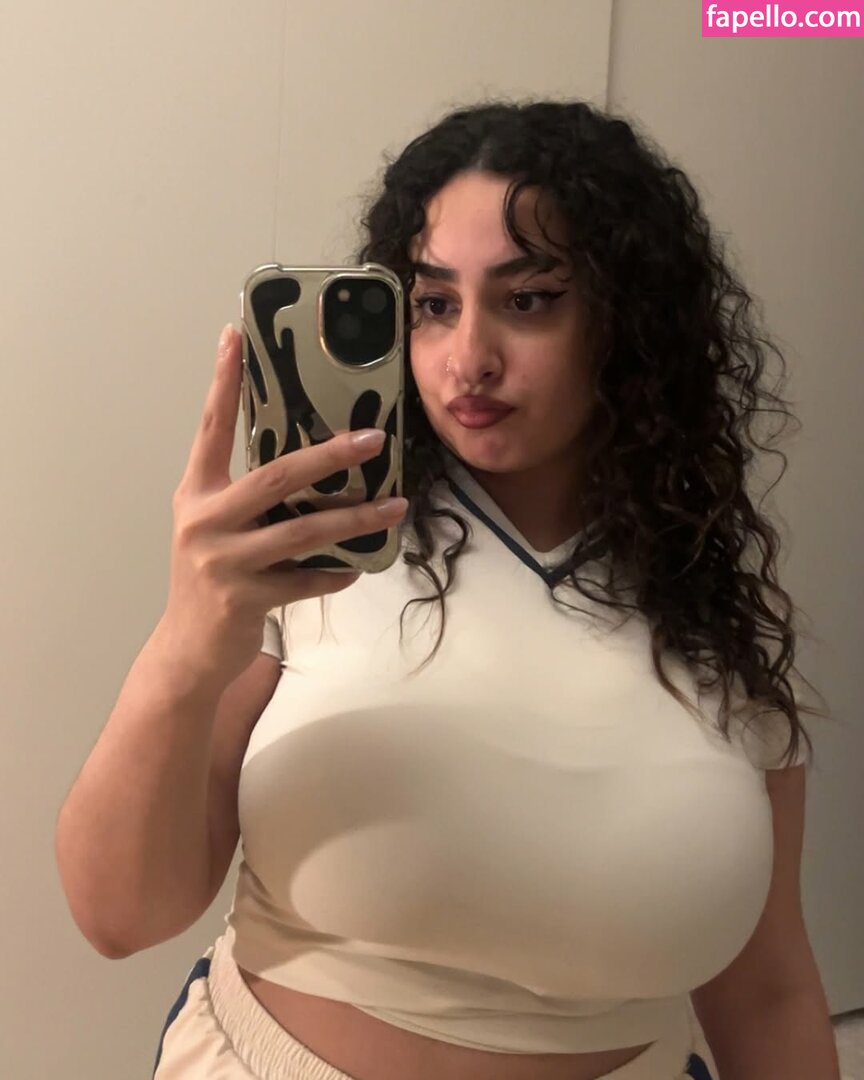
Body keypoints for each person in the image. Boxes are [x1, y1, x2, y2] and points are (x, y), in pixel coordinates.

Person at [55, 98, 828, 1080]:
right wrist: (186, 647)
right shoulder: (315, 557)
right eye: (432, 304)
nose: (468, 359)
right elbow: (118, 916)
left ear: (627, 321)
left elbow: (767, 992)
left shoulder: (712, 609)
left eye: (529, 299)